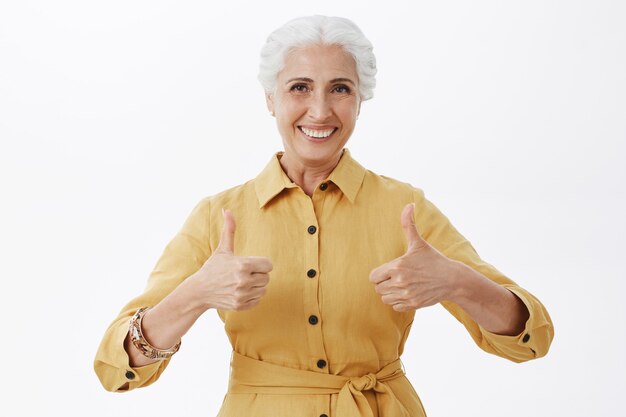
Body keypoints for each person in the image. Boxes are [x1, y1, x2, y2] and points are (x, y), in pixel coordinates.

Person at [94, 15, 554, 417]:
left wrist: (456, 281)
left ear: (359, 100)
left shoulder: (406, 209)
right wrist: (195, 294)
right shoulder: (218, 216)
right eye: (299, 88)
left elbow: (529, 339)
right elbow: (117, 369)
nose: (319, 110)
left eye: (340, 88)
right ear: (270, 99)